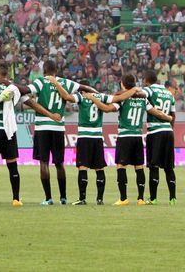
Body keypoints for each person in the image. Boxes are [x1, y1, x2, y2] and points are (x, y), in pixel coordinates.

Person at [0, 64, 60, 207]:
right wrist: (50, 114)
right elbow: (32, 104)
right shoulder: (14, 89)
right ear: (6, 76)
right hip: (10, 130)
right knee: (12, 165)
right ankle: (16, 199)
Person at [82, 74, 170, 205]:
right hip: (138, 137)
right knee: (139, 167)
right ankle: (141, 199)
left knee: (121, 166)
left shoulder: (122, 99)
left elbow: (106, 109)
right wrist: (168, 118)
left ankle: (123, 198)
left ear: (123, 84)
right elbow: (155, 112)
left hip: (125, 137)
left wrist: (92, 98)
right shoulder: (143, 99)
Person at [50, 78, 133, 205]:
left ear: (82, 89)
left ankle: (82, 198)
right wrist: (135, 90)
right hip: (98, 137)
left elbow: (66, 96)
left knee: (83, 168)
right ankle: (100, 199)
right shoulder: (100, 96)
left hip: (84, 137)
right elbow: (116, 99)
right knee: (99, 168)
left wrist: (56, 84)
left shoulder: (81, 97)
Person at [17, 62, 87, 205]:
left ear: (44, 71)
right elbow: (83, 87)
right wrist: (97, 93)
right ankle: (63, 197)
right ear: (56, 70)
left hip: (42, 128)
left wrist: (10, 84)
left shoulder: (41, 82)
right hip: (58, 127)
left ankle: (48, 198)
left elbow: (25, 90)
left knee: (44, 163)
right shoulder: (65, 82)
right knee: (59, 163)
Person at [141, 70, 177, 205]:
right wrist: (170, 129)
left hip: (155, 132)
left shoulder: (150, 90)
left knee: (153, 165)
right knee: (168, 167)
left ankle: (153, 198)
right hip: (168, 131)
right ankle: (173, 198)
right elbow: (173, 115)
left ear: (146, 80)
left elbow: (140, 94)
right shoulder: (169, 93)